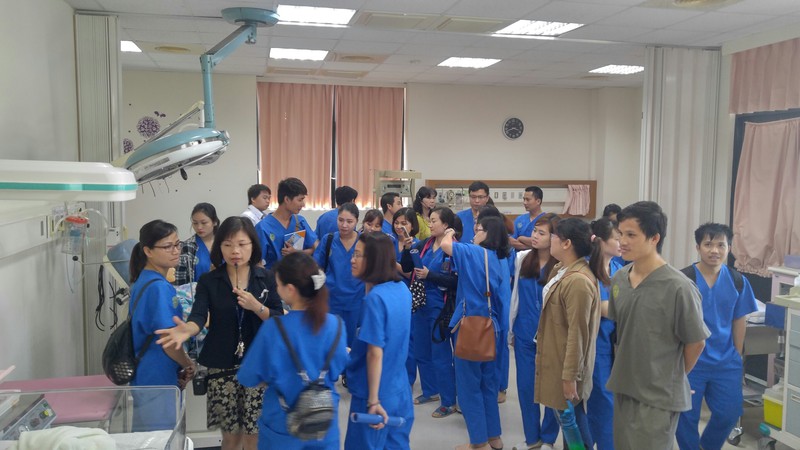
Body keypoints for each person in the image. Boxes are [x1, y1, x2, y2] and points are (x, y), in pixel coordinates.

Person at [156, 217, 285, 450]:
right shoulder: (209, 281)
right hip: (222, 366)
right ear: (219, 247)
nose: (235, 251)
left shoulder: (266, 278)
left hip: (260, 366)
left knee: (254, 436)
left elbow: (279, 319)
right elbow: (198, 316)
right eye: (227, 245)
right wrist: (188, 329)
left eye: (242, 244)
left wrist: (257, 307)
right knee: (231, 437)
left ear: (253, 246)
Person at [606, 201, 709, 450]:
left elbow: (696, 342)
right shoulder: (620, 278)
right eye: (620, 233)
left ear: (654, 238)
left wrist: (673, 377)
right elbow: (622, 327)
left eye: (631, 235)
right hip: (624, 387)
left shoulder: (679, 287)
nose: (622, 241)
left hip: (658, 396)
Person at [238, 252, 349, 450]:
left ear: (290, 289)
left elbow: (248, 377)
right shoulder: (336, 325)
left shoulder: (274, 328)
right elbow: (338, 367)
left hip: (283, 427)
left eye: (277, 284)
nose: (276, 288)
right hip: (324, 425)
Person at [676, 223, 758, 450]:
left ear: (729, 248)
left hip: (726, 361)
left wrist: (736, 353)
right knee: (685, 416)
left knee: (729, 413)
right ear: (698, 247)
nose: (714, 250)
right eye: (708, 244)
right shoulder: (683, 279)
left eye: (721, 245)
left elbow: (739, 318)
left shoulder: (737, 280)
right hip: (690, 360)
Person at [441, 216, 510, 450]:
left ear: (487, 233)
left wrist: (449, 232)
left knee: (469, 386)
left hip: (472, 327)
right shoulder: (498, 258)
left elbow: (446, 245)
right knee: (488, 385)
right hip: (493, 327)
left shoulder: (473, 252)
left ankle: (478, 442)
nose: (475, 233)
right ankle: (494, 438)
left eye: (478, 229)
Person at [533, 218, 602, 449]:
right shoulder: (561, 269)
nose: (550, 239)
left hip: (566, 366)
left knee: (574, 425)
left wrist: (569, 377)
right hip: (556, 359)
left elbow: (577, 334)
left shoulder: (578, 281)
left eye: (554, 236)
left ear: (566, 243)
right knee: (567, 422)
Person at [344, 232, 414, 450]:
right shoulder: (401, 289)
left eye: (358, 255)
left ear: (374, 260)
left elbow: (375, 353)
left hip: (374, 393)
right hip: (398, 389)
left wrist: (373, 401)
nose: (352, 260)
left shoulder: (375, 299)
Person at [129, 220, 195, 432]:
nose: (175, 251)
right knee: (160, 437)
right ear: (148, 251)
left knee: (147, 436)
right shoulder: (158, 288)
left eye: (177, 244)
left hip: (146, 374)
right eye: (167, 246)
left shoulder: (144, 280)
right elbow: (169, 341)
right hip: (158, 376)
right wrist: (188, 364)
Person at [400, 206, 459, 418]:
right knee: (421, 350)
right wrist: (407, 249)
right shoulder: (423, 245)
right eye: (430, 220)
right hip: (420, 303)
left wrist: (430, 275)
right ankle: (430, 390)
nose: (430, 224)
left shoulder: (453, 248)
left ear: (446, 225)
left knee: (440, 354)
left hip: (439, 306)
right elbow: (406, 267)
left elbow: (456, 280)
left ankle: (449, 401)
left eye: (434, 221)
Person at [508, 213, 560, 450]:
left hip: (552, 336)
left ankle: (548, 438)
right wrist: (512, 330)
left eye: (541, 233)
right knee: (526, 387)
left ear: (555, 237)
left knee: (552, 390)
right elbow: (515, 296)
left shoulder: (562, 265)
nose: (535, 236)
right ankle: (532, 439)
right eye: (534, 231)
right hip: (524, 331)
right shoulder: (522, 258)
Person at [586, 218, 624, 450]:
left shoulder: (618, 269)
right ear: (600, 241)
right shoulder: (588, 268)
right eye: (617, 238)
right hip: (595, 345)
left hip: (614, 344)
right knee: (602, 402)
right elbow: (604, 308)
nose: (622, 243)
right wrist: (629, 308)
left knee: (609, 404)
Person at [313, 202, 364, 347]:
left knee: (353, 344)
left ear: (357, 221)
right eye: (341, 220)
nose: (344, 225)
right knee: (331, 342)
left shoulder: (364, 242)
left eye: (349, 221)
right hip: (332, 300)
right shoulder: (328, 240)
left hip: (356, 301)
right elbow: (317, 267)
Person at [256, 177, 318, 269]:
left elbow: (316, 248)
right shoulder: (263, 228)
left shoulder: (300, 221)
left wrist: (297, 253)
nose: (303, 204)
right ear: (287, 199)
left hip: (298, 275)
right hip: (274, 276)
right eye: (300, 200)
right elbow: (258, 263)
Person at [175, 202, 220, 285]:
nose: (199, 227)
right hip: (197, 292)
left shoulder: (225, 243)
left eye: (204, 223)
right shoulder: (187, 247)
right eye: (195, 223)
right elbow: (180, 284)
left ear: (215, 222)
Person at [510, 186, 545, 251]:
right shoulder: (519, 219)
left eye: (528, 200)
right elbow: (512, 241)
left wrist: (521, 238)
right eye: (524, 199)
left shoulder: (546, 220)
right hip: (519, 255)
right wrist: (532, 246)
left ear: (538, 201)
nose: (525, 202)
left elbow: (545, 242)